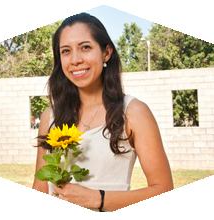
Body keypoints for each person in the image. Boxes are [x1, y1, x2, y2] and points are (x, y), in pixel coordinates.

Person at [32, 12, 173, 212]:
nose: (75, 60)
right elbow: (40, 189)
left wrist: (98, 199)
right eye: (65, 51)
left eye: (85, 47)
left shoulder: (133, 112)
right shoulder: (50, 116)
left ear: (106, 52)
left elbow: (164, 191)